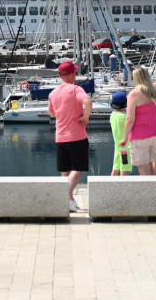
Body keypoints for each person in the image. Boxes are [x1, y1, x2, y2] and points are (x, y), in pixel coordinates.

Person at [48, 60, 93, 212]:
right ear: (72, 74)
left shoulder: (53, 93)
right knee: (77, 168)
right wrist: (86, 116)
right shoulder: (75, 89)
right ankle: (64, 196)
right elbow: (88, 101)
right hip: (77, 136)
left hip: (60, 137)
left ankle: (68, 200)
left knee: (65, 170)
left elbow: (52, 113)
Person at [120, 66, 156, 176]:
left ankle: (148, 192)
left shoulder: (134, 94)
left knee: (143, 169)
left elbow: (130, 119)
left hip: (140, 136)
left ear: (137, 78)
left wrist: (125, 138)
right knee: (150, 166)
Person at [109, 91, 132, 176]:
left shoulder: (112, 115)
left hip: (117, 146)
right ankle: (122, 187)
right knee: (124, 168)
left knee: (115, 168)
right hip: (125, 147)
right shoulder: (125, 117)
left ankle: (110, 186)